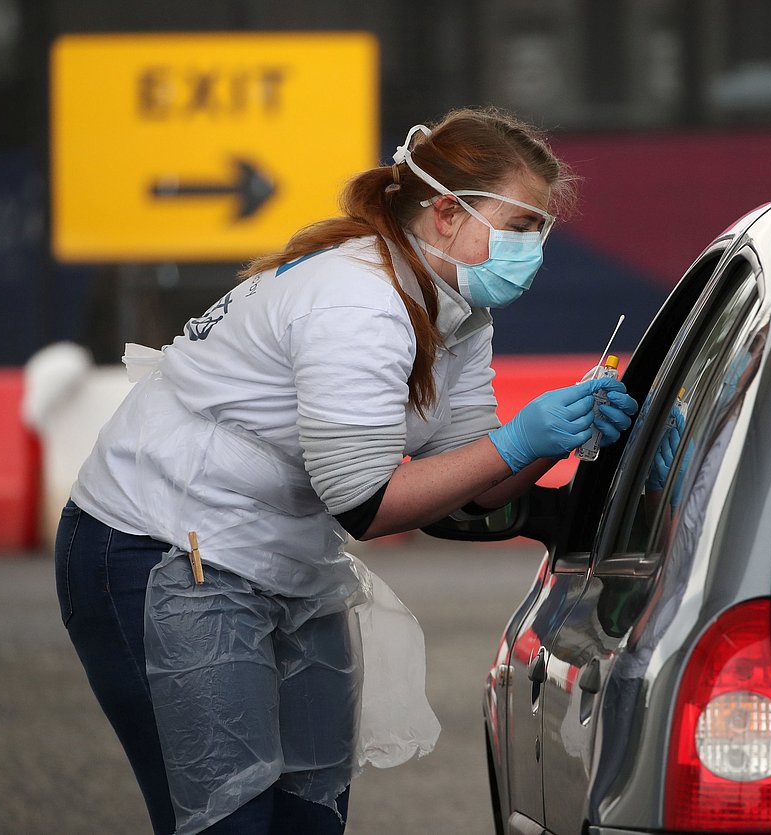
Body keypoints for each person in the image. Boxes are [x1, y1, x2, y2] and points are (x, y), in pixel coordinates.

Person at [54, 106, 638, 835]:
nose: (535, 249)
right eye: (521, 226)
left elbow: (468, 488)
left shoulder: (455, 309)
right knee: (229, 822)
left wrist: (558, 438)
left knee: (311, 816)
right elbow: (365, 505)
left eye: (542, 230)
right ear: (448, 214)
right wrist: (523, 439)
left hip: (280, 559)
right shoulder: (358, 300)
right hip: (161, 549)